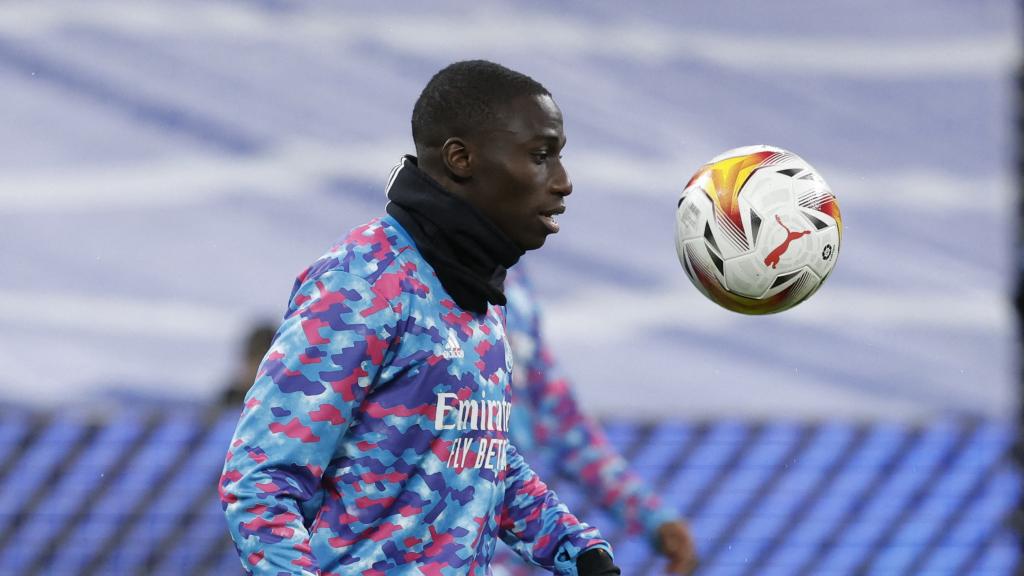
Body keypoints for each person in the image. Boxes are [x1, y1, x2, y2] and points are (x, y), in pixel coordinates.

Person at [219, 60, 621, 575]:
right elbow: (260, 484)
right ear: (461, 158)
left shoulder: (474, 291)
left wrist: (577, 551)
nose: (563, 183)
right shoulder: (363, 282)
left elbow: (474, 454)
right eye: (541, 156)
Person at [494, 268, 698, 575]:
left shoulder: (512, 281)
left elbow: (562, 423)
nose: (559, 216)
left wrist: (649, 515)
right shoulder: (404, 273)